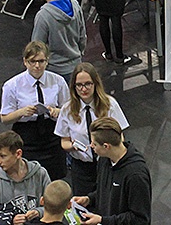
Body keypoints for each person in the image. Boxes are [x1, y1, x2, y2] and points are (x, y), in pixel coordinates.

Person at [0, 41, 70, 181]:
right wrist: (21, 112)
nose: (37, 66)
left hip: (52, 135)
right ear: (25, 62)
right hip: (27, 136)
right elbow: (4, 118)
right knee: (29, 178)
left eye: (41, 61)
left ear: (47, 61)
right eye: (33, 61)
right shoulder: (12, 85)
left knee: (55, 177)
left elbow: (69, 110)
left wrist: (57, 111)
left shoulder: (58, 81)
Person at [55, 64, 129, 195]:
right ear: (74, 87)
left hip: (107, 163)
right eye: (79, 85)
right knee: (84, 205)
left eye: (88, 84)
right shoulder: (67, 109)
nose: (84, 89)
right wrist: (73, 146)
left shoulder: (109, 104)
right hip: (82, 168)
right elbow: (64, 142)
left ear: (95, 83)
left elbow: (120, 137)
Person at [71, 116, 151, 224]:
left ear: (106, 146)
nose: (91, 146)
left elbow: (140, 219)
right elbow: (106, 191)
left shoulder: (136, 175)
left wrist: (103, 220)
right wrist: (89, 199)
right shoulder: (104, 160)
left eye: (94, 144)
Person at [0, 131, 51, 223]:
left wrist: (39, 212)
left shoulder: (40, 174)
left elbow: (54, 206)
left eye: (2, 156)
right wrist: (9, 220)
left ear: (18, 154)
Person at [32, 0, 86, 79]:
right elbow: (82, 36)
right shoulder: (75, 5)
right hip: (76, 66)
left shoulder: (43, 15)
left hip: (55, 70)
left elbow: (37, 47)